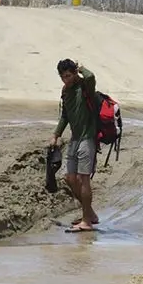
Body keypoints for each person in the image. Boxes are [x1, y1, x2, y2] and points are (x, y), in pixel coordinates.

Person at [49, 59, 99, 233]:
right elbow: (65, 116)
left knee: (83, 179)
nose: (65, 80)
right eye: (62, 77)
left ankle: (87, 221)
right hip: (75, 139)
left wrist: (81, 68)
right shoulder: (66, 91)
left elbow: (91, 76)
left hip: (88, 138)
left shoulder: (85, 86)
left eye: (69, 76)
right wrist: (56, 134)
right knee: (70, 179)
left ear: (75, 73)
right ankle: (90, 213)